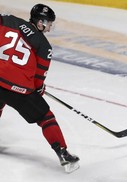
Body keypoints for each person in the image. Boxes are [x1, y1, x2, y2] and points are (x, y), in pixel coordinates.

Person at [0, 4, 79, 173]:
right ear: (41, 22)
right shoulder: (44, 46)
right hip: (18, 89)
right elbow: (38, 79)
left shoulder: (8, 20)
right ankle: (63, 152)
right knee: (46, 118)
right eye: (49, 24)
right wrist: (39, 88)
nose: (50, 28)